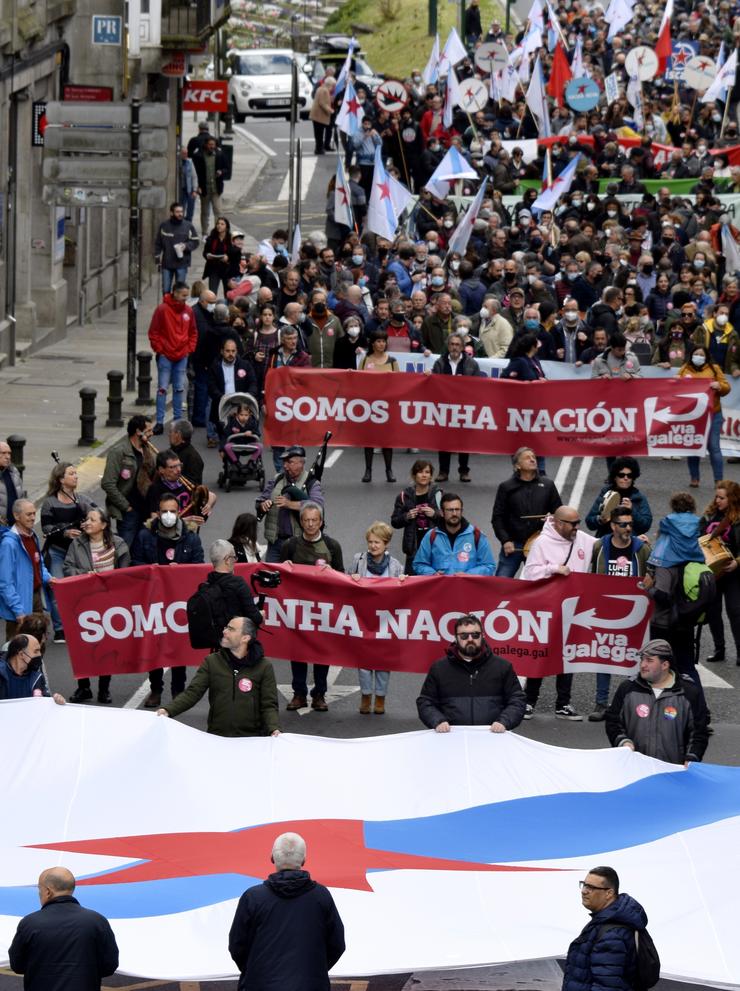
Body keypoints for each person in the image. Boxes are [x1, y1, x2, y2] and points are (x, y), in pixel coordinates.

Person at [228, 832, 345, 990]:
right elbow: (337, 945)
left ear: (272, 858)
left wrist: (257, 972)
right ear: (304, 859)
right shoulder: (321, 896)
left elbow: (237, 946)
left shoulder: (252, 897)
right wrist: (313, 972)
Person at [520, 507, 598, 721]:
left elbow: (603, 546)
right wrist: (554, 568)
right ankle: (529, 701)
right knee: (541, 655)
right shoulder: (542, 543)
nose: (577, 527)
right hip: (545, 609)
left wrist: (635, 540)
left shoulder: (581, 538)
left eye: (578, 522)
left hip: (572, 608)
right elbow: (531, 573)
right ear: (559, 523)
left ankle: (563, 704)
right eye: (573, 523)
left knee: (568, 656)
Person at [131, 493, 205, 708]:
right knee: (154, 647)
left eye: (173, 511)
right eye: (164, 511)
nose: (169, 515)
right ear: (157, 512)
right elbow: (136, 562)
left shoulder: (191, 537)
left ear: (179, 511)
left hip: (178, 603)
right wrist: (150, 570)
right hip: (153, 601)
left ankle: (178, 691)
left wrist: (180, 572)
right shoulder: (145, 535)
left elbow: (198, 566)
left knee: (177, 647)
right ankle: (155, 689)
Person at [158, 617, 280, 737]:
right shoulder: (212, 662)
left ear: (245, 638)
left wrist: (274, 729)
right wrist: (167, 710)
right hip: (217, 736)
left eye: (231, 629)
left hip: (252, 738)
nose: (224, 631)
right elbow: (193, 692)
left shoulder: (264, 666)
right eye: (226, 627)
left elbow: (269, 705)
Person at [8, 866, 119, 991]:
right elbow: (109, 965)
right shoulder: (98, 921)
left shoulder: (29, 923)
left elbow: (17, 965)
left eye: (39, 889)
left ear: (48, 892)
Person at [588, 507, 651, 722]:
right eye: (623, 524)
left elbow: (650, 574)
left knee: (632, 659)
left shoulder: (641, 548)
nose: (628, 528)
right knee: (604, 656)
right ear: (613, 526)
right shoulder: (599, 547)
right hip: (606, 612)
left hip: (634, 613)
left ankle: (631, 703)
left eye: (630, 524)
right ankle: (601, 703)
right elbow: (590, 576)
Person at [63, 508, 131, 704]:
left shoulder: (118, 544)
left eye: (93, 519)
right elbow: (67, 568)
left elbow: (125, 575)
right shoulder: (77, 544)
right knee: (81, 645)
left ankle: (104, 689)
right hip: (82, 602)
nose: (88, 522)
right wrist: (86, 575)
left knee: (105, 646)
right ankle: (83, 688)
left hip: (108, 605)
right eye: (87, 519)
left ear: (104, 525)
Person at [280, 502, 344, 712]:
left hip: (323, 608)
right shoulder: (290, 545)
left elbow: (342, 576)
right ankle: (299, 694)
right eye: (306, 520)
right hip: (297, 608)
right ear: (300, 522)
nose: (310, 524)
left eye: (314, 520)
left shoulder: (332, 546)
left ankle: (319, 694)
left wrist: (331, 571)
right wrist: (284, 569)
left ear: (321, 522)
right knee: (297, 651)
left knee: (321, 651)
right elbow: (279, 577)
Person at [416, 614, 527, 732]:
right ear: (456, 638)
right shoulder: (439, 668)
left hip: (493, 737)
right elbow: (425, 701)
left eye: (475, 635)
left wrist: (504, 721)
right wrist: (437, 720)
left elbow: (517, 700)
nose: (470, 639)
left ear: (482, 636)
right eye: (464, 635)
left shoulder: (503, 667)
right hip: (450, 738)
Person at [605, 639, 709, 764]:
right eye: (642, 659)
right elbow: (613, 721)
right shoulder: (627, 689)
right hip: (635, 768)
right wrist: (623, 741)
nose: (643, 665)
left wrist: (692, 757)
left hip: (672, 770)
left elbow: (699, 732)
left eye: (649, 661)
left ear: (665, 665)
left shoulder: (688, 693)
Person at [642, 491, 706, 688]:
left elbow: (663, 595)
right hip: (686, 620)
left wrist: (647, 589)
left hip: (663, 623)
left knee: (658, 669)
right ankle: (698, 710)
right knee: (687, 667)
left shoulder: (665, 559)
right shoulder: (698, 555)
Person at [561, 866, 649, 991]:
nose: (584, 891)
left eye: (591, 887)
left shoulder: (612, 935)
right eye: (584, 885)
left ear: (609, 893)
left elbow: (607, 986)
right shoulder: (604, 922)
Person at [349, 521, 405, 715]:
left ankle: (380, 697)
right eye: (370, 542)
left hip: (385, 620)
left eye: (378, 542)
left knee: (382, 661)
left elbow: (403, 592)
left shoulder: (396, 565)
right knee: (363, 661)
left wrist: (403, 582)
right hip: (363, 618)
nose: (373, 546)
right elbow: (345, 582)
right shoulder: (359, 560)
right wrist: (352, 578)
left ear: (386, 544)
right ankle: (366, 696)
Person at [40, 461, 96, 644]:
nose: (76, 476)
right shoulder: (49, 502)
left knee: (80, 589)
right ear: (61, 479)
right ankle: (59, 629)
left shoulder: (83, 500)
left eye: (76, 473)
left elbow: (97, 516)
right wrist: (64, 532)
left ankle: (80, 623)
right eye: (71, 474)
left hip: (78, 553)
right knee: (57, 589)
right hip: (57, 552)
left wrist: (88, 522)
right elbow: (46, 528)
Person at [492, 447, 562, 578]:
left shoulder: (548, 485)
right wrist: (505, 541)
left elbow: (559, 513)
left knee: (542, 583)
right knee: (501, 581)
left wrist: (551, 519)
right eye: (527, 458)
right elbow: (497, 518)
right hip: (513, 544)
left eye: (533, 457)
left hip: (539, 543)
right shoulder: (506, 487)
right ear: (517, 465)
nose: (532, 460)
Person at [429, 333, 482, 483]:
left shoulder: (471, 364)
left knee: (463, 440)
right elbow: (434, 383)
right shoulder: (440, 363)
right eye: (452, 344)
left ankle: (464, 471)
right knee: (444, 441)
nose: (454, 347)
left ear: (462, 347)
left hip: (464, 408)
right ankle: (443, 471)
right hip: (444, 407)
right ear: (448, 346)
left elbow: (479, 385)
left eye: (457, 344)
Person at [148, 280, 198, 434]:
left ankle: (177, 421)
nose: (185, 298)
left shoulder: (188, 311)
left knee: (178, 388)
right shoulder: (162, 310)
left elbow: (193, 332)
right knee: (162, 388)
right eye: (183, 295)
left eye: (187, 296)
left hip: (181, 355)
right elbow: (154, 331)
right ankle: (160, 422)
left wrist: (189, 348)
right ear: (175, 293)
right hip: (166, 355)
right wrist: (160, 349)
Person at [258, 446, 324, 563]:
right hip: (275, 542)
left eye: (289, 462)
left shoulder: (312, 483)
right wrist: (263, 504)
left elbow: (317, 507)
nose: (285, 466)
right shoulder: (277, 479)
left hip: (299, 543)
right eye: (284, 462)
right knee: (271, 577)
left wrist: (289, 504)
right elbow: (260, 500)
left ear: (301, 463)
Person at [0, 500, 54, 642]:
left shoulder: (32, 536)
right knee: (17, 649)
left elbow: (39, 564)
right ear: (17, 516)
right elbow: (5, 582)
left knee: (38, 644)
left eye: (34, 514)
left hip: (36, 598)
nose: (32, 518)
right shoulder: (8, 544)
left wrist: (49, 578)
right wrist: (18, 609)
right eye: (28, 514)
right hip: (19, 603)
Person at [699, 480, 740, 665]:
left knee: (735, 611)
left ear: (732, 499)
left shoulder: (738, 519)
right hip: (712, 573)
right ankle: (719, 649)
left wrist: (737, 563)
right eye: (716, 496)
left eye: (722, 498)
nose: (717, 500)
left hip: (733, 573)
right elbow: (698, 537)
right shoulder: (709, 515)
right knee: (713, 611)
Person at [677, 344, 730, 487]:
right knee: (693, 446)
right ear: (691, 355)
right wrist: (677, 381)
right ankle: (694, 478)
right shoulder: (685, 368)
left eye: (701, 354)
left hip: (713, 413)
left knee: (714, 446)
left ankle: (718, 480)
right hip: (693, 416)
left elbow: (726, 387)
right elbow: (675, 387)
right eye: (696, 354)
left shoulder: (714, 369)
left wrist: (719, 386)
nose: (698, 357)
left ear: (706, 357)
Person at [101, 414, 155, 550]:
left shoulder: (148, 451)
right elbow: (108, 483)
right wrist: (126, 507)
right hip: (128, 514)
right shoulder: (119, 452)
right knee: (124, 550)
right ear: (138, 431)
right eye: (148, 431)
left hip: (146, 511)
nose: (151, 434)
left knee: (142, 550)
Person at [413, 492, 495, 576]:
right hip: (441, 588)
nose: (454, 514)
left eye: (457, 509)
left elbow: (489, 566)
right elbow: (419, 564)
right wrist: (433, 574)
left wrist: (469, 575)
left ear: (461, 511)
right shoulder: (431, 536)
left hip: (467, 588)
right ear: (442, 513)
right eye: (450, 510)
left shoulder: (476, 535)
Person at [199, 539, 263, 635]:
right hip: (236, 642)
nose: (235, 560)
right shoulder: (238, 584)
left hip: (216, 640)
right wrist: (261, 615)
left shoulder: (205, 586)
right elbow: (255, 618)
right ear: (228, 560)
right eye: (234, 557)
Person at [358, 330, 398, 483]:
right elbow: (358, 379)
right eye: (379, 341)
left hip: (387, 405)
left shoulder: (392, 360)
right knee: (369, 438)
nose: (382, 344)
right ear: (373, 343)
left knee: (387, 440)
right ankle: (368, 470)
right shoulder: (365, 360)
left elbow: (400, 381)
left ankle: (389, 470)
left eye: (383, 341)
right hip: (369, 405)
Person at [390, 459, 444, 575]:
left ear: (431, 475)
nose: (424, 475)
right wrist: (407, 516)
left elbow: (448, 519)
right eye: (420, 472)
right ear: (414, 475)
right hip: (413, 546)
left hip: (435, 546)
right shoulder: (405, 496)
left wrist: (434, 514)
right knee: (412, 583)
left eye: (427, 472)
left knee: (434, 581)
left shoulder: (438, 494)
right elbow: (394, 521)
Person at [585, 457, 653, 538]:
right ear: (614, 477)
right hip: (607, 543)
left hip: (630, 545)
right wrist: (600, 520)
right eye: (621, 475)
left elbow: (645, 526)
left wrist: (632, 511)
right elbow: (589, 522)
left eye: (629, 475)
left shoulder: (639, 498)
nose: (625, 478)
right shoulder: (606, 495)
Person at [0, 635, 64, 704]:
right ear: (21, 654)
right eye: (36, 651)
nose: (40, 655)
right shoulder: (1, 674)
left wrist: (55, 701)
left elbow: (44, 702)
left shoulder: (37, 677)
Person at [154, 202, 200, 295]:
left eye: (181, 212)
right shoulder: (164, 226)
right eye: (177, 212)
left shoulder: (188, 226)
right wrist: (157, 258)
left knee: (180, 290)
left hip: (182, 263)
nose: (180, 214)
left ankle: (179, 309)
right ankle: (167, 309)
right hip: (167, 263)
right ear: (171, 213)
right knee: (166, 290)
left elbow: (195, 241)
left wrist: (186, 246)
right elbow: (158, 243)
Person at [193, 137, 229, 236]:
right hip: (204, 189)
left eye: (213, 144)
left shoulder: (220, 155)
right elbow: (196, 173)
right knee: (205, 212)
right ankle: (204, 233)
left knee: (218, 211)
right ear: (205, 145)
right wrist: (197, 186)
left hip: (216, 189)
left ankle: (218, 233)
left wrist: (221, 172)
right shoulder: (199, 156)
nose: (212, 146)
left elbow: (227, 168)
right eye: (210, 144)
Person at [168, 419, 204, 486]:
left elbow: (194, 485)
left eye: (171, 432)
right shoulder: (171, 451)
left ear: (178, 434)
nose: (169, 435)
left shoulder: (193, 458)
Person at [0, 440, 25, 526]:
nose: (7, 457)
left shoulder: (14, 471)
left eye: (9, 453)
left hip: (15, 524)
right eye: (3, 453)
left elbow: (20, 496)